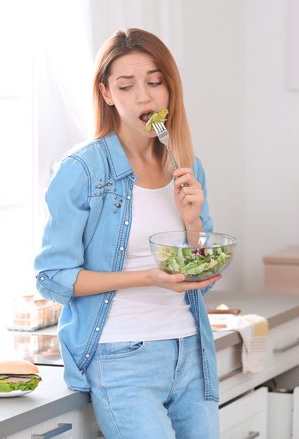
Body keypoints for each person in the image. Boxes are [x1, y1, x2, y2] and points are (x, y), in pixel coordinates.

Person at [35, 28, 221, 439]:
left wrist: (193, 225)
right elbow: (52, 277)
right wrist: (147, 278)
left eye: (155, 82)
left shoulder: (187, 165)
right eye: (126, 85)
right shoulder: (82, 170)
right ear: (106, 93)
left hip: (191, 350)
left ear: (170, 89)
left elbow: (201, 283)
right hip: (121, 356)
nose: (144, 97)